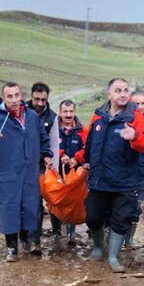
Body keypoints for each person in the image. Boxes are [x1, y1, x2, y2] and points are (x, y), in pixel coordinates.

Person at [82, 78, 144, 273]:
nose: (123, 94)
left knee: (121, 219)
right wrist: (85, 160)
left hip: (124, 180)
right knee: (93, 217)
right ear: (109, 95)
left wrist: (135, 137)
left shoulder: (135, 116)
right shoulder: (98, 117)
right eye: (118, 90)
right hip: (99, 179)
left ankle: (113, 257)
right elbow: (90, 142)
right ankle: (98, 247)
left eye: (125, 90)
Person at [0, 82, 53, 261]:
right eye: (9, 97)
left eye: (16, 95)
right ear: (4, 99)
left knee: (31, 206)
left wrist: (47, 155)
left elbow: (43, 138)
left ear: (22, 96)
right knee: (9, 208)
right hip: (7, 171)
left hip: (29, 170)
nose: (14, 100)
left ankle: (27, 238)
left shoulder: (32, 116)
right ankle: (12, 248)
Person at [27, 82, 60, 254]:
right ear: (31, 95)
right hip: (21, 164)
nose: (40, 103)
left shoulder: (52, 117)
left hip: (41, 164)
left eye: (43, 100)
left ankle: (35, 240)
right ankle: (22, 236)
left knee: (36, 202)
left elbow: (54, 144)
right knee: (19, 202)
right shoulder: (21, 110)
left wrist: (54, 170)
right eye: (36, 99)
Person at [126, 91, 144, 248]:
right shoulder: (124, 120)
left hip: (142, 170)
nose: (140, 107)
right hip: (123, 169)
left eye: (143, 103)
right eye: (137, 103)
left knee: (136, 206)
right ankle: (113, 239)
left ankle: (129, 240)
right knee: (119, 205)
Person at [57, 99, 84, 247]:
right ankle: (56, 231)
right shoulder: (54, 129)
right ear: (60, 112)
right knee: (56, 200)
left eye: (71, 111)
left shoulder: (81, 130)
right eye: (65, 112)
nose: (68, 115)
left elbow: (88, 146)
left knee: (73, 201)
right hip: (57, 172)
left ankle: (71, 233)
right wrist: (61, 154)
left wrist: (77, 158)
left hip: (75, 172)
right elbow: (48, 144)